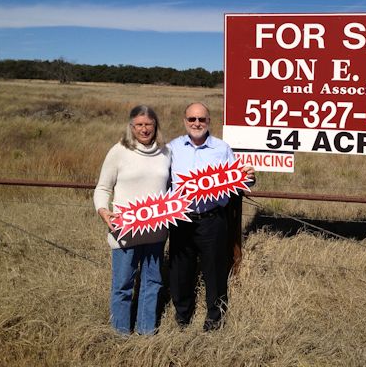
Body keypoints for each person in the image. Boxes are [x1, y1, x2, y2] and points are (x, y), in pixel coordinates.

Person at [168, 101, 254, 331]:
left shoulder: (222, 148)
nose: (197, 123)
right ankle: (182, 317)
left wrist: (248, 176)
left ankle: (215, 318)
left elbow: (240, 178)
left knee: (215, 270)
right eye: (192, 119)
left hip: (213, 219)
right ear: (184, 121)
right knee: (181, 270)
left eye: (201, 119)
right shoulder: (172, 148)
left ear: (209, 121)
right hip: (181, 220)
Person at [93, 105, 171, 335]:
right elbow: (103, 188)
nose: (144, 129)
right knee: (123, 285)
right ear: (131, 126)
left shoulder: (166, 152)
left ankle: (146, 331)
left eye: (148, 124)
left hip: (156, 231)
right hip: (125, 232)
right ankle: (121, 334)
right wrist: (103, 210)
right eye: (139, 125)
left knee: (153, 283)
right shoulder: (118, 151)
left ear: (156, 125)